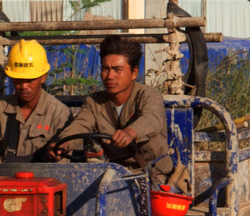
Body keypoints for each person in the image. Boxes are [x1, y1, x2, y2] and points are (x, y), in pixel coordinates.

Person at [48, 35, 174, 180]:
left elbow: (152, 118)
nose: (109, 76)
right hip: (116, 177)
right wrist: (63, 143)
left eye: (117, 70)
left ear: (134, 72)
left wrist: (131, 132)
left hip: (155, 177)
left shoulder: (149, 96)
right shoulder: (94, 102)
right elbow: (81, 124)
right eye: (105, 69)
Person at [0, 40, 71, 162]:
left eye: (30, 80)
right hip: (4, 177)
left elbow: (62, 165)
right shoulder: (0, 110)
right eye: (18, 79)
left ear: (43, 77)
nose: (23, 86)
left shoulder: (59, 114)